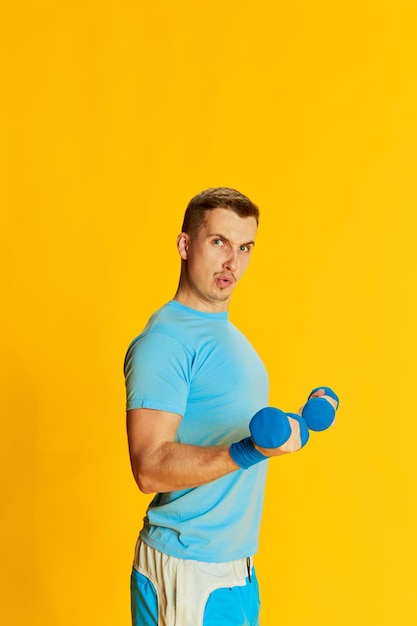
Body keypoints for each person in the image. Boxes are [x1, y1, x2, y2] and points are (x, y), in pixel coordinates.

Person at [124, 187, 335, 626]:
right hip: (187, 566)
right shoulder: (165, 342)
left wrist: (296, 422)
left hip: (233, 566)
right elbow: (149, 466)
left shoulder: (228, 336)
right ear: (185, 245)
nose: (232, 263)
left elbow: (242, 429)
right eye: (219, 242)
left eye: (244, 247)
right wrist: (249, 450)